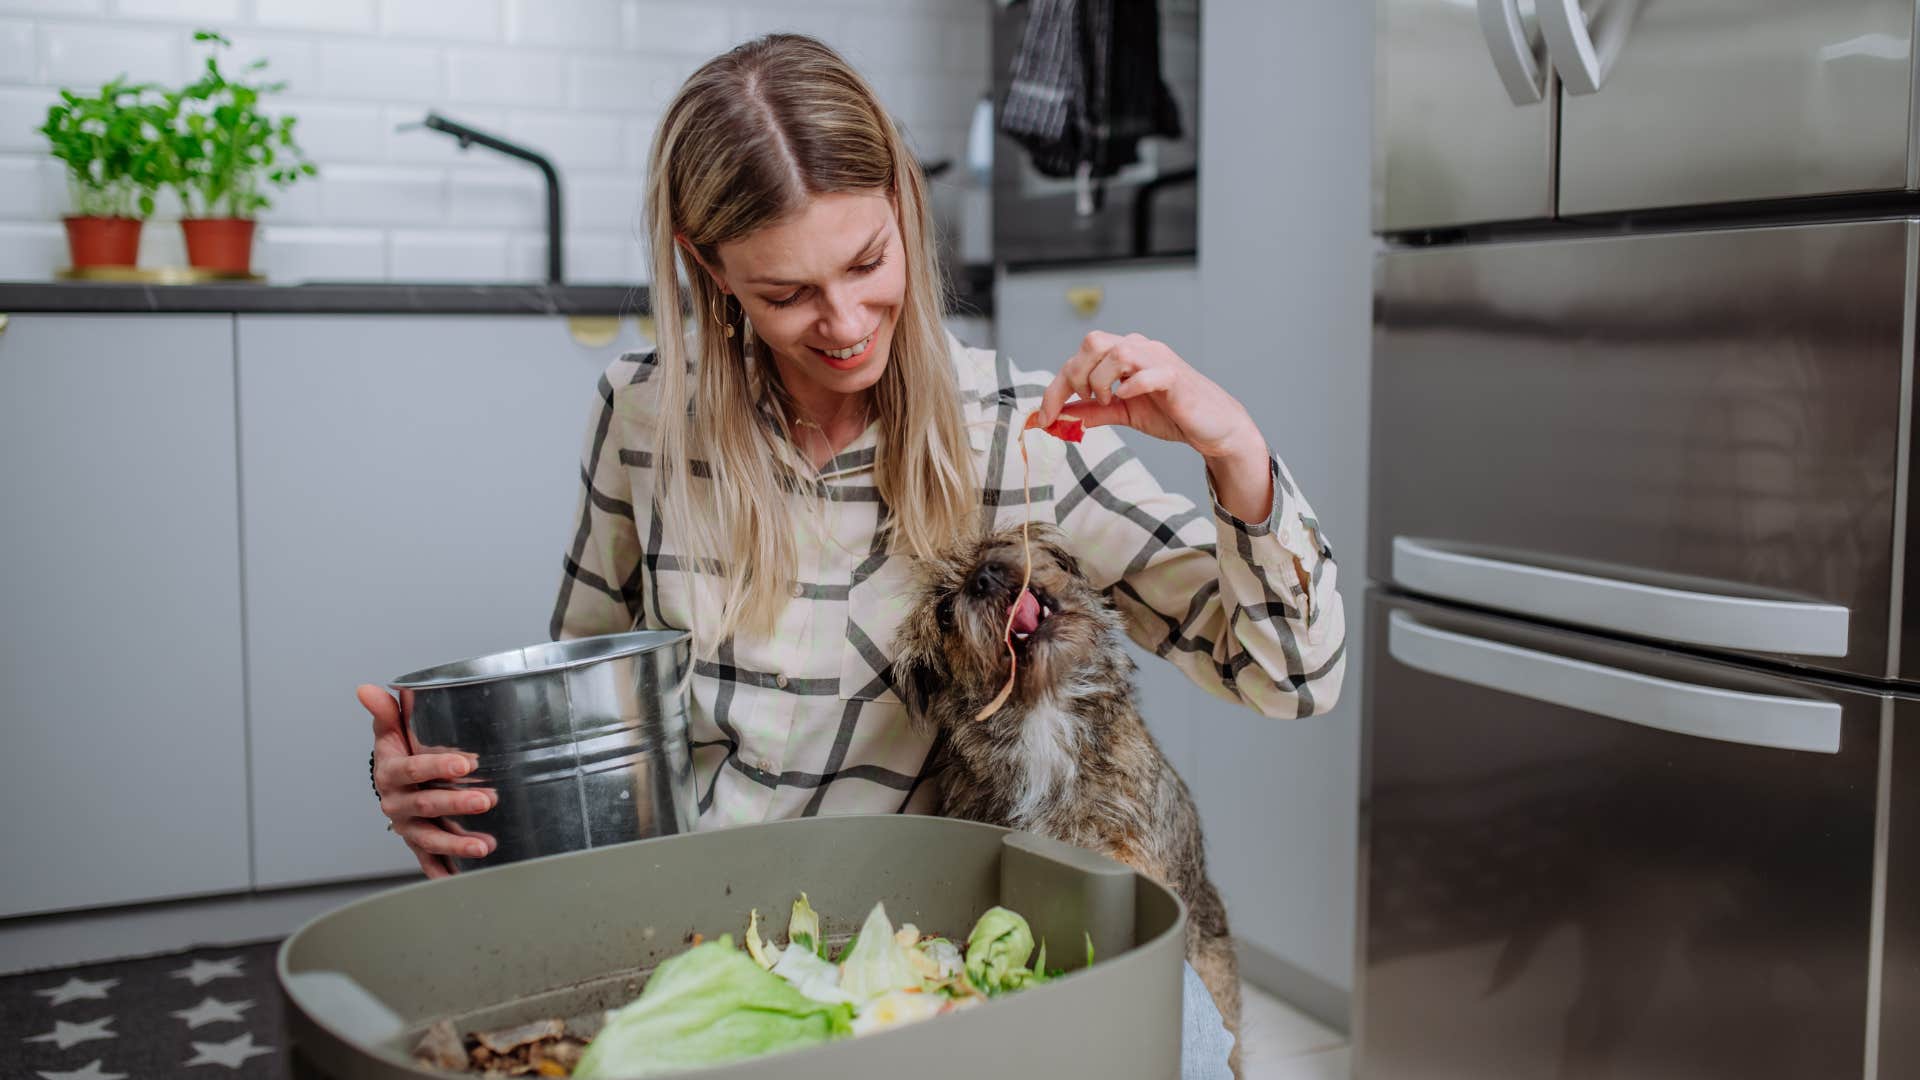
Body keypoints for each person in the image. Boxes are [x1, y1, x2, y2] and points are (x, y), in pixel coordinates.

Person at [359, 33, 1343, 1077]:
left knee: (1183, 1039)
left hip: (915, 966)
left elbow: (1293, 674)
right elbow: (584, 724)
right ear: (708, 264)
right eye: (785, 293)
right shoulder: (644, 415)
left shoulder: (1017, 430)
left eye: (868, 263)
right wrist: (460, 787)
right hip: (692, 955)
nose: (843, 324)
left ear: (905, 212)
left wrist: (1232, 446)